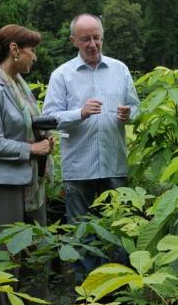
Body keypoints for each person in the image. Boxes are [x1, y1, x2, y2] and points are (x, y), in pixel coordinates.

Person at [0, 24, 54, 305]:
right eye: (32, 50)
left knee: (37, 246)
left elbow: (26, 124)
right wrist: (31, 148)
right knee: (3, 251)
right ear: (15, 50)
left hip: (31, 181)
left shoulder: (19, 83)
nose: (35, 56)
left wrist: (42, 138)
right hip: (2, 184)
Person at [42, 14, 140, 273]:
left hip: (114, 164)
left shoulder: (120, 69)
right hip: (79, 167)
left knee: (120, 228)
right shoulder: (62, 75)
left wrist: (130, 114)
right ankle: (87, 287)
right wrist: (80, 113)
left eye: (97, 38)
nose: (93, 44)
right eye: (86, 39)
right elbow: (49, 118)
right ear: (73, 40)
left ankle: (119, 284)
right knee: (83, 232)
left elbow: (137, 107)